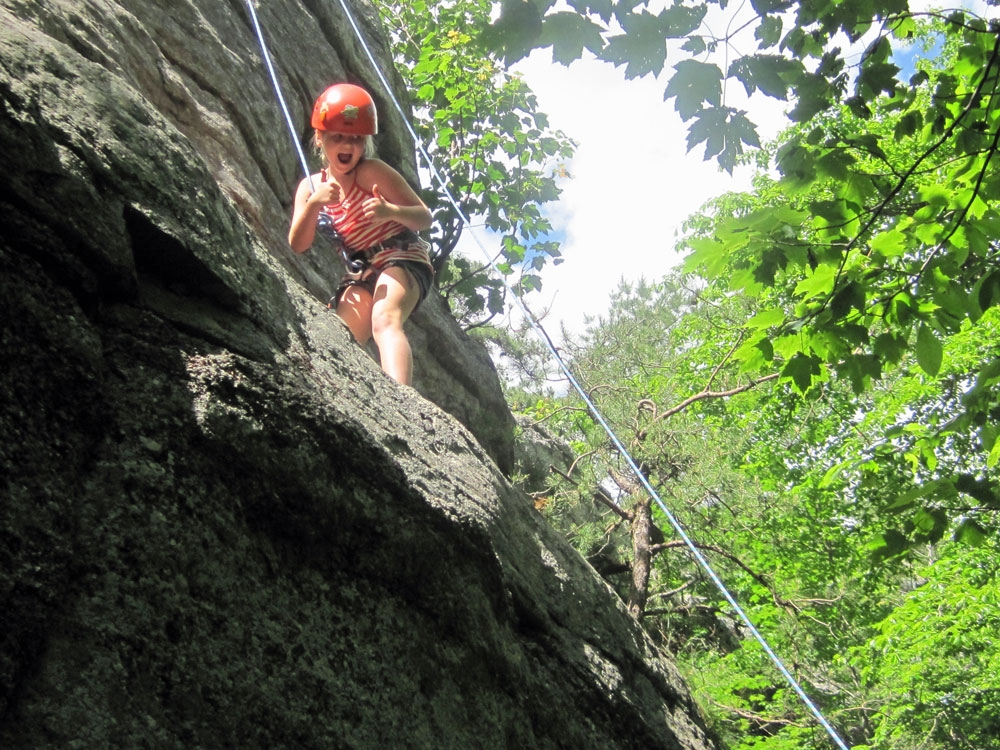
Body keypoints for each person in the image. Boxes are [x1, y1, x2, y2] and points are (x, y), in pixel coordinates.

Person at [288, 83, 434, 386]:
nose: (348, 145)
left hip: (400, 255)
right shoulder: (310, 187)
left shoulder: (371, 172)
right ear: (320, 138)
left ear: (365, 142)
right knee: (340, 336)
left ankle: (401, 399)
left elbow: (424, 217)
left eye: (356, 139)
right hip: (363, 269)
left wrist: (390, 211)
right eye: (338, 137)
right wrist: (314, 204)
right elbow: (298, 244)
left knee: (384, 318)